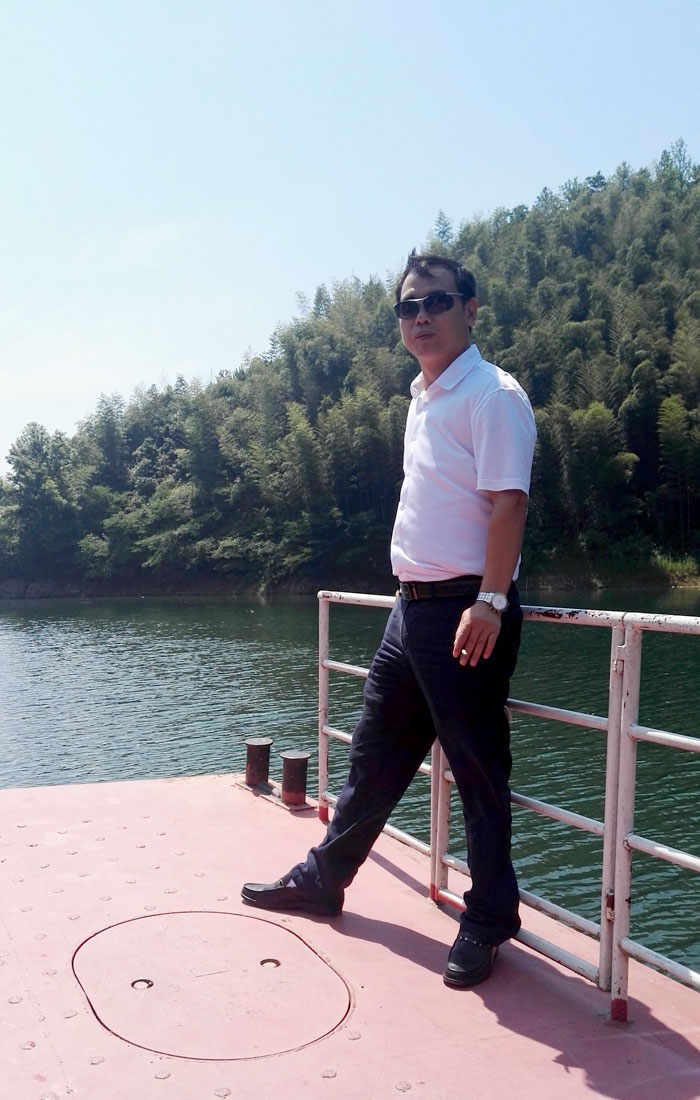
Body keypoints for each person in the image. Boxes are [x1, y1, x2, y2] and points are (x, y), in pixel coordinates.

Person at [242, 253, 536, 988]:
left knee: (477, 771)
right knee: (374, 755)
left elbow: (509, 503)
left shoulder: (493, 396)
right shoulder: (422, 397)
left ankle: (489, 918)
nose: (421, 317)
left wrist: (491, 601)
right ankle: (325, 877)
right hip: (411, 610)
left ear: (470, 308)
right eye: (409, 307)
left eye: (437, 302)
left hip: (466, 610)